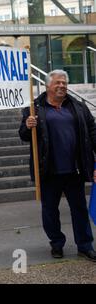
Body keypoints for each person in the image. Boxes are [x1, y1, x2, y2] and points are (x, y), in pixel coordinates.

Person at [19, 69, 96, 262]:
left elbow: (93, 132)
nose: (62, 86)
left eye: (64, 83)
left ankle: (85, 245)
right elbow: (23, 135)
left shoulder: (78, 106)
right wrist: (28, 126)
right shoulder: (34, 108)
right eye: (58, 83)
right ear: (47, 85)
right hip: (49, 170)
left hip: (75, 169)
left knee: (79, 209)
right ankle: (56, 243)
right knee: (50, 210)